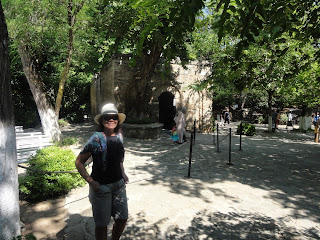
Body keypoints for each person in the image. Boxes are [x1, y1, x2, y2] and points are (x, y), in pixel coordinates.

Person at [75, 103, 128, 240]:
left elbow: (119, 159)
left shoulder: (119, 136)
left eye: (114, 117)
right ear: (102, 120)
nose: (111, 120)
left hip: (118, 185)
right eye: (107, 117)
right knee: (102, 224)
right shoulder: (96, 138)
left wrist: (123, 173)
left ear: (117, 119)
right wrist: (90, 181)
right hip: (101, 187)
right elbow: (79, 162)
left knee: (122, 218)